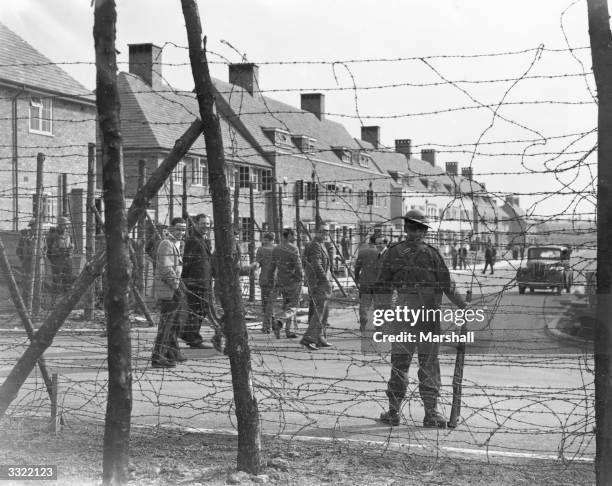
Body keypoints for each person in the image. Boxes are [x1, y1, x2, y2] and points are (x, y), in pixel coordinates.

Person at [377, 209, 467, 427]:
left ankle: (393, 412)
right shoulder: (432, 253)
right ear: (424, 231)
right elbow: (448, 286)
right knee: (428, 363)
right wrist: (464, 306)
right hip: (427, 313)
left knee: (400, 362)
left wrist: (385, 314)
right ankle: (431, 413)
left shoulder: (392, 252)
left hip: (403, 312)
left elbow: (382, 288)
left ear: (406, 228)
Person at [180, 214, 222, 351]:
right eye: (203, 223)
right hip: (196, 282)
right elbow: (187, 262)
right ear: (196, 224)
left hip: (205, 281)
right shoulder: (193, 240)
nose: (206, 226)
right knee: (198, 309)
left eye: (208, 224)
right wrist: (187, 281)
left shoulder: (204, 240)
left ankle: (189, 334)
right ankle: (192, 337)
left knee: (201, 309)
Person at [151, 217, 187, 368]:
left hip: (174, 288)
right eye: (178, 228)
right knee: (166, 325)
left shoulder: (178, 244)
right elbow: (166, 268)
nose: (181, 232)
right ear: (170, 229)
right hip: (169, 289)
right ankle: (157, 357)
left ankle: (171, 352)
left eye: (184, 229)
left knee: (173, 323)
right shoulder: (166, 244)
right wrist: (176, 285)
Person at [300, 223, 332, 350]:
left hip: (320, 282)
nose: (326, 234)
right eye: (323, 231)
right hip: (319, 283)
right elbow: (316, 264)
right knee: (320, 310)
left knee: (324, 311)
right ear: (316, 232)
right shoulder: (314, 245)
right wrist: (324, 279)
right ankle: (309, 338)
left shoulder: (320, 244)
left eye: (327, 232)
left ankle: (319, 338)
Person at [270, 228, 302, 339]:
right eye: (294, 235)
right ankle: (280, 321)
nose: (296, 237)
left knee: (286, 305)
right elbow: (298, 266)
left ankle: (287, 331)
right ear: (288, 236)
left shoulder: (276, 248)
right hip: (293, 281)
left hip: (281, 281)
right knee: (293, 306)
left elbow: (272, 266)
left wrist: (273, 280)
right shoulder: (293, 248)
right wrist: (301, 277)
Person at [354, 234, 383, 332]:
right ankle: (379, 327)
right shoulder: (382, 253)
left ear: (370, 241)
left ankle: (363, 321)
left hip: (365, 282)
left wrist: (357, 278)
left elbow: (357, 267)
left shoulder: (362, 252)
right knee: (378, 305)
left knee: (364, 304)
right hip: (378, 283)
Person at [251, 232, 277, 334]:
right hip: (275, 279)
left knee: (266, 303)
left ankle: (267, 326)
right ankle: (273, 324)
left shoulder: (261, 250)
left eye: (265, 240)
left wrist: (253, 267)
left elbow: (257, 263)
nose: (263, 241)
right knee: (271, 303)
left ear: (269, 240)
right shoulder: (278, 249)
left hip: (266, 279)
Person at [46, 216, 74, 295]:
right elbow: (48, 250)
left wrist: (70, 251)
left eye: (67, 225)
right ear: (60, 225)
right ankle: (54, 301)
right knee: (56, 282)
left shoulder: (68, 234)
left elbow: (71, 245)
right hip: (57, 260)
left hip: (67, 260)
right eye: (65, 225)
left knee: (67, 280)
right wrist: (54, 260)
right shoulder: (52, 235)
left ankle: (67, 298)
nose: (67, 227)